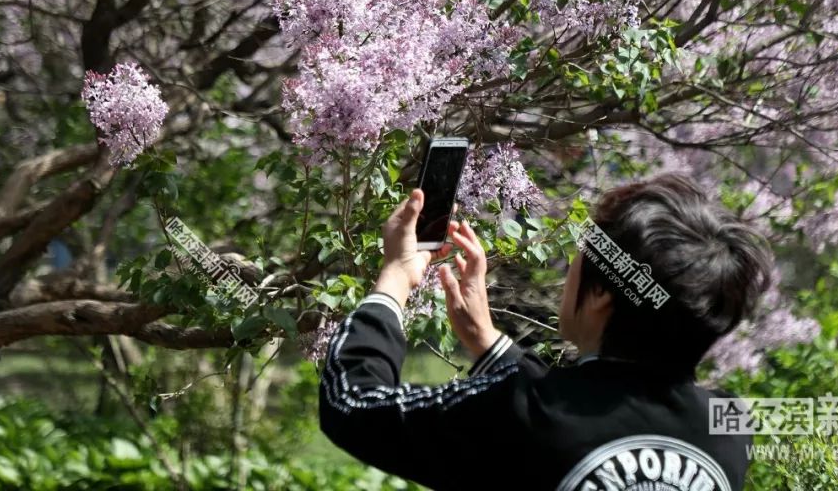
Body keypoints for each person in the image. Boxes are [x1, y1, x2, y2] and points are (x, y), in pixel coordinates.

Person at [319, 173, 774, 491]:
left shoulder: (516, 412)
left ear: (600, 297)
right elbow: (580, 421)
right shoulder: (730, 424)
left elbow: (353, 404)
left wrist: (396, 275)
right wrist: (488, 341)